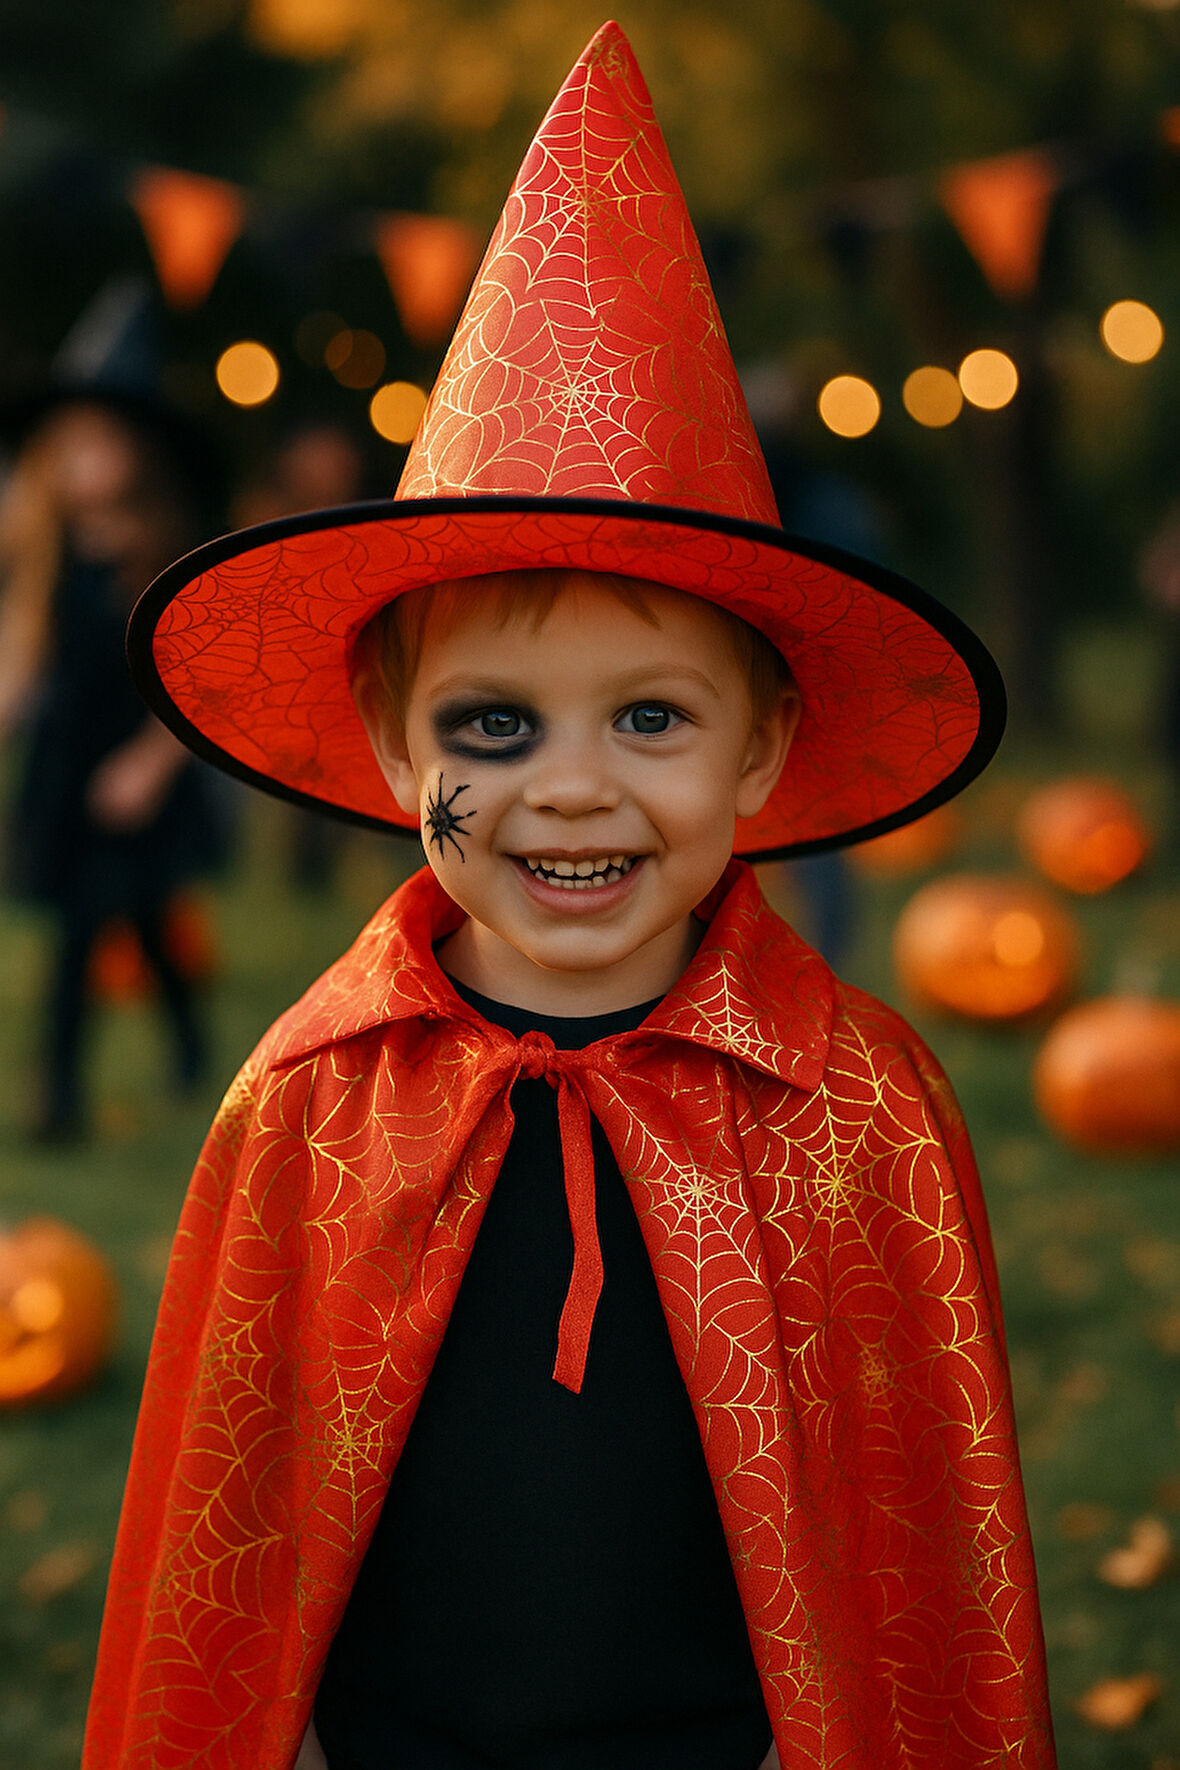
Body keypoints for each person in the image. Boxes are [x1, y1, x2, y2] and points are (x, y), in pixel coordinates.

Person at [83, 23, 1054, 1770]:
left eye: (654, 719)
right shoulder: (308, 1101)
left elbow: (917, 1573)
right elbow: (234, 1544)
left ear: (764, 754)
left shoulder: (858, 1108)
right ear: (393, 750)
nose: (575, 785)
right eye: (493, 726)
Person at [0, 390, 225, 1140]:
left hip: (138, 764)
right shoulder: (49, 545)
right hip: (68, 770)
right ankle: (57, 1100)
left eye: (96, 447)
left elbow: (199, 680)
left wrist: (148, 767)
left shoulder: (163, 547)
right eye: (65, 452)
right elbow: (23, 656)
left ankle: (190, 1045)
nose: (78, 467)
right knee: (75, 931)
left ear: (136, 454)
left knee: (149, 925)